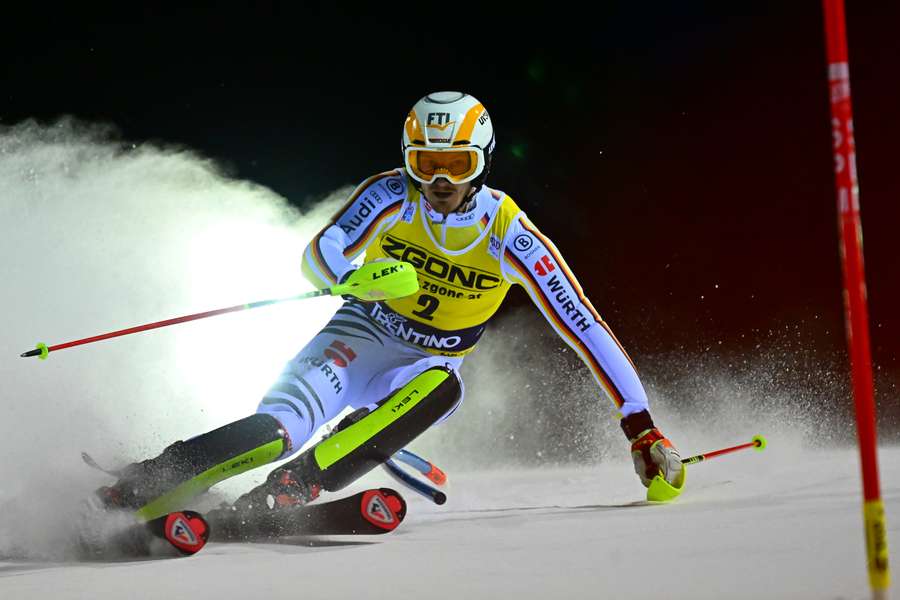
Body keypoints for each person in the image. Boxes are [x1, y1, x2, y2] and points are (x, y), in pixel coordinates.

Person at [98, 91, 685, 523]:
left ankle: (292, 488)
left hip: (422, 367)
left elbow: (582, 326)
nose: (440, 180)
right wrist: (353, 278)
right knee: (277, 430)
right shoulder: (390, 193)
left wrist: (641, 428)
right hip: (355, 338)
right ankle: (143, 483)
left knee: (444, 388)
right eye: (427, 163)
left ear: (481, 162)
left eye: (456, 165)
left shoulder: (509, 233)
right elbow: (321, 252)